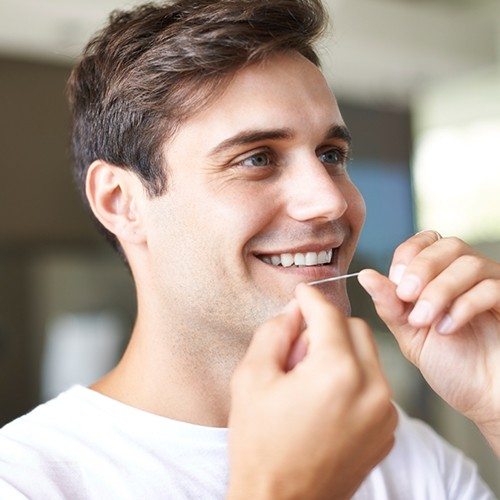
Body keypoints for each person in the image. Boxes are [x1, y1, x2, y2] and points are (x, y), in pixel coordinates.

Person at [0, 0, 498, 498]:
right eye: (256, 158)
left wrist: (495, 402)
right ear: (122, 202)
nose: (329, 200)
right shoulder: (25, 480)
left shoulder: (407, 456)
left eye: (332, 155)